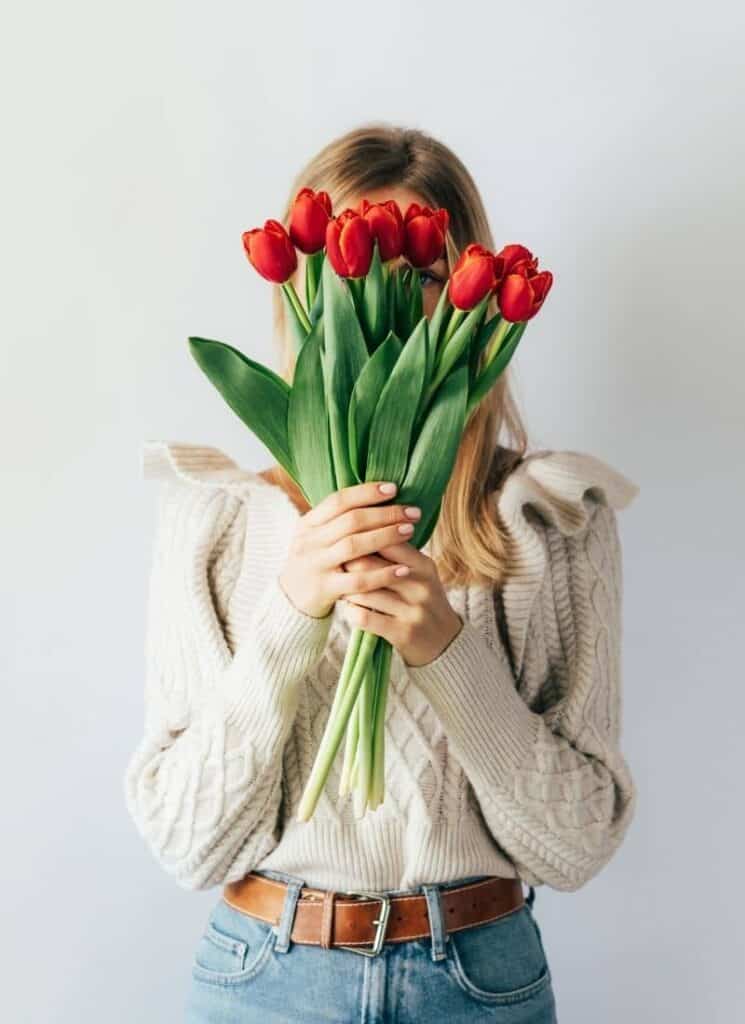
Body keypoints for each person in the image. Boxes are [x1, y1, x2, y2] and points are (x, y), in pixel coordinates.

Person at [123, 123, 640, 1023]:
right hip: (267, 973)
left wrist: (448, 651)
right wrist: (291, 615)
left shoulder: (545, 518)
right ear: (306, 286)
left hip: (479, 976)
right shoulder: (217, 519)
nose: (386, 309)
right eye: (350, 274)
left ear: (468, 291)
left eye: (425, 276)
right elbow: (185, 844)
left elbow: (577, 847)